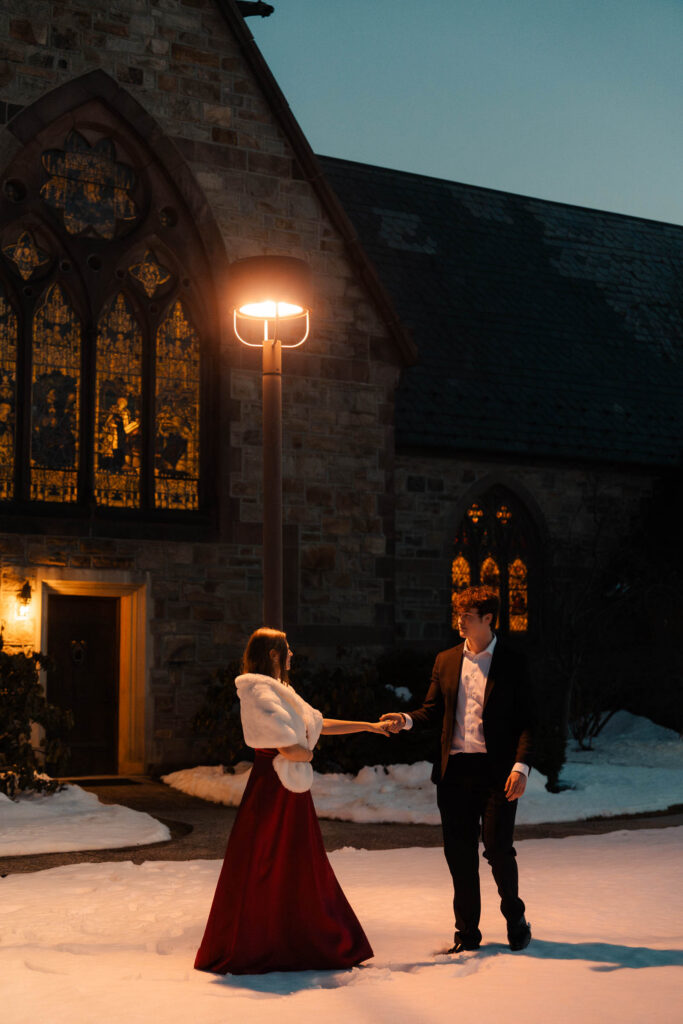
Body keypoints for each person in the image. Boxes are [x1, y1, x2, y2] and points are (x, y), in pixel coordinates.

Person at [194, 626, 390, 975]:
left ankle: (297, 936)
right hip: (274, 788)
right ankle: (261, 942)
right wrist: (305, 754)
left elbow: (315, 725)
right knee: (266, 862)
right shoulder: (258, 691)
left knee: (297, 863)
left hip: (288, 787)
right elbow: (290, 747)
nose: (292, 655)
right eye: (287, 649)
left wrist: (368, 726)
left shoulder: (281, 690)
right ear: (274, 654)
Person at [382, 586, 535, 954]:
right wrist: (404, 719)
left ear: (487, 619)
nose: (460, 621)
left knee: (498, 849)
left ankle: (515, 918)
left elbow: (529, 721)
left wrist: (521, 765)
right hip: (454, 774)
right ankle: (467, 935)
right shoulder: (446, 660)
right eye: (459, 614)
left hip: (498, 772)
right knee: (459, 854)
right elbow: (432, 710)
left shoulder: (514, 662)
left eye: (467, 616)